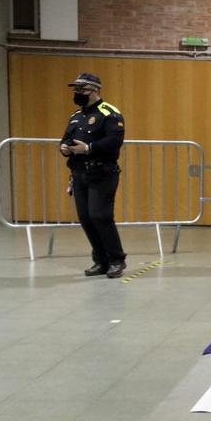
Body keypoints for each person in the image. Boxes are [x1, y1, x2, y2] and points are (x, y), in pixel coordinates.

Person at [59, 72, 127, 278]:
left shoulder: (109, 113)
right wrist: (64, 148)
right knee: (86, 219)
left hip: (101, 172)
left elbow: (114, 142)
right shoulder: (75, 116)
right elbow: (65, 140)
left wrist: (88, 148)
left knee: (101, 216)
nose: (77, 93)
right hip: (79, 174)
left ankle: (117, 259)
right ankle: (101, 260)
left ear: (95, 90)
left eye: (82, 89)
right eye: (75, 90)